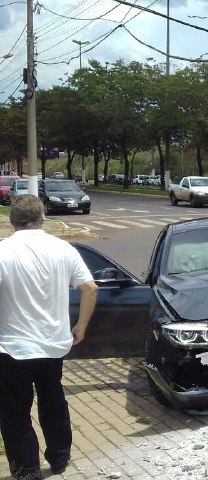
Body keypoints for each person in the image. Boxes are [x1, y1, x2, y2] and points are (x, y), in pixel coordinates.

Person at [0, 195, 99, 479]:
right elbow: (90, 288)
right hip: (54, 346)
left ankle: (26, 470)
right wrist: (81, 325)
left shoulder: (3, 251)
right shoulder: (63, 248)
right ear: (42, 218)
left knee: (15, 412)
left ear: (12, 220)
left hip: (13, 348)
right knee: (53, 400)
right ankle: (59, 457)